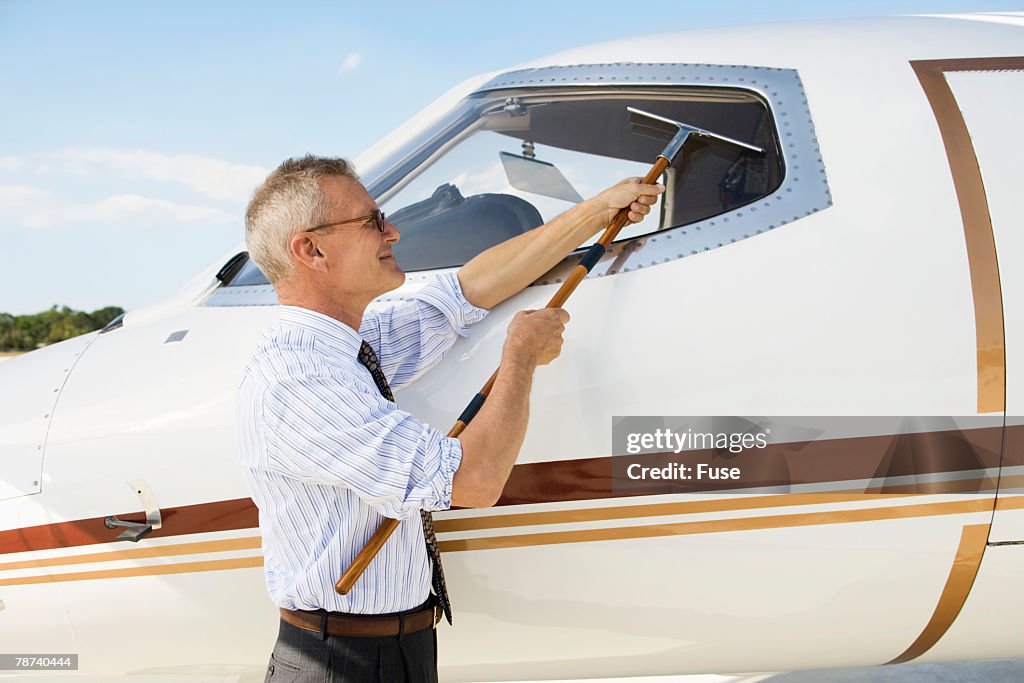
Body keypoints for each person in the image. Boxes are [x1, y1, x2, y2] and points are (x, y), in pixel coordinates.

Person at [236, 154, 663, 682]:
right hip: (342, 666)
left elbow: (468, 291)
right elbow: (475, 480)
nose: (392, 232)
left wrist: (597, 211)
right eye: (370, 221)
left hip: (397, 652)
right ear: (312, 249)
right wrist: (520, 359)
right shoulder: (303, 378)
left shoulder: (349, 345)